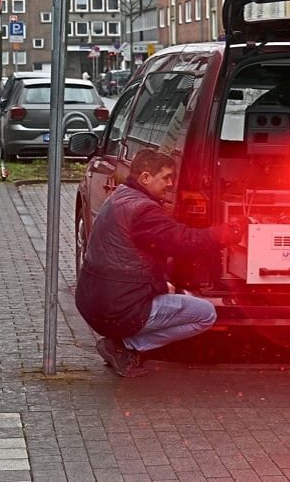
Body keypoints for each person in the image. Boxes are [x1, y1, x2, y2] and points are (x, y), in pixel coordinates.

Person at [75, 149, 247, 377]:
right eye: (165, 177)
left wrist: (161, 282)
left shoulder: (121, 196)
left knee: (178, 295)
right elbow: (185, 241)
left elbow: (137, 254)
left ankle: (121, 341)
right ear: (145, 178)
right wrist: (232, 231)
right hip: (118, 309)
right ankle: (126, 346)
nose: (170, 183)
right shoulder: (144, 211)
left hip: (93, 301)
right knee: (205, 314)